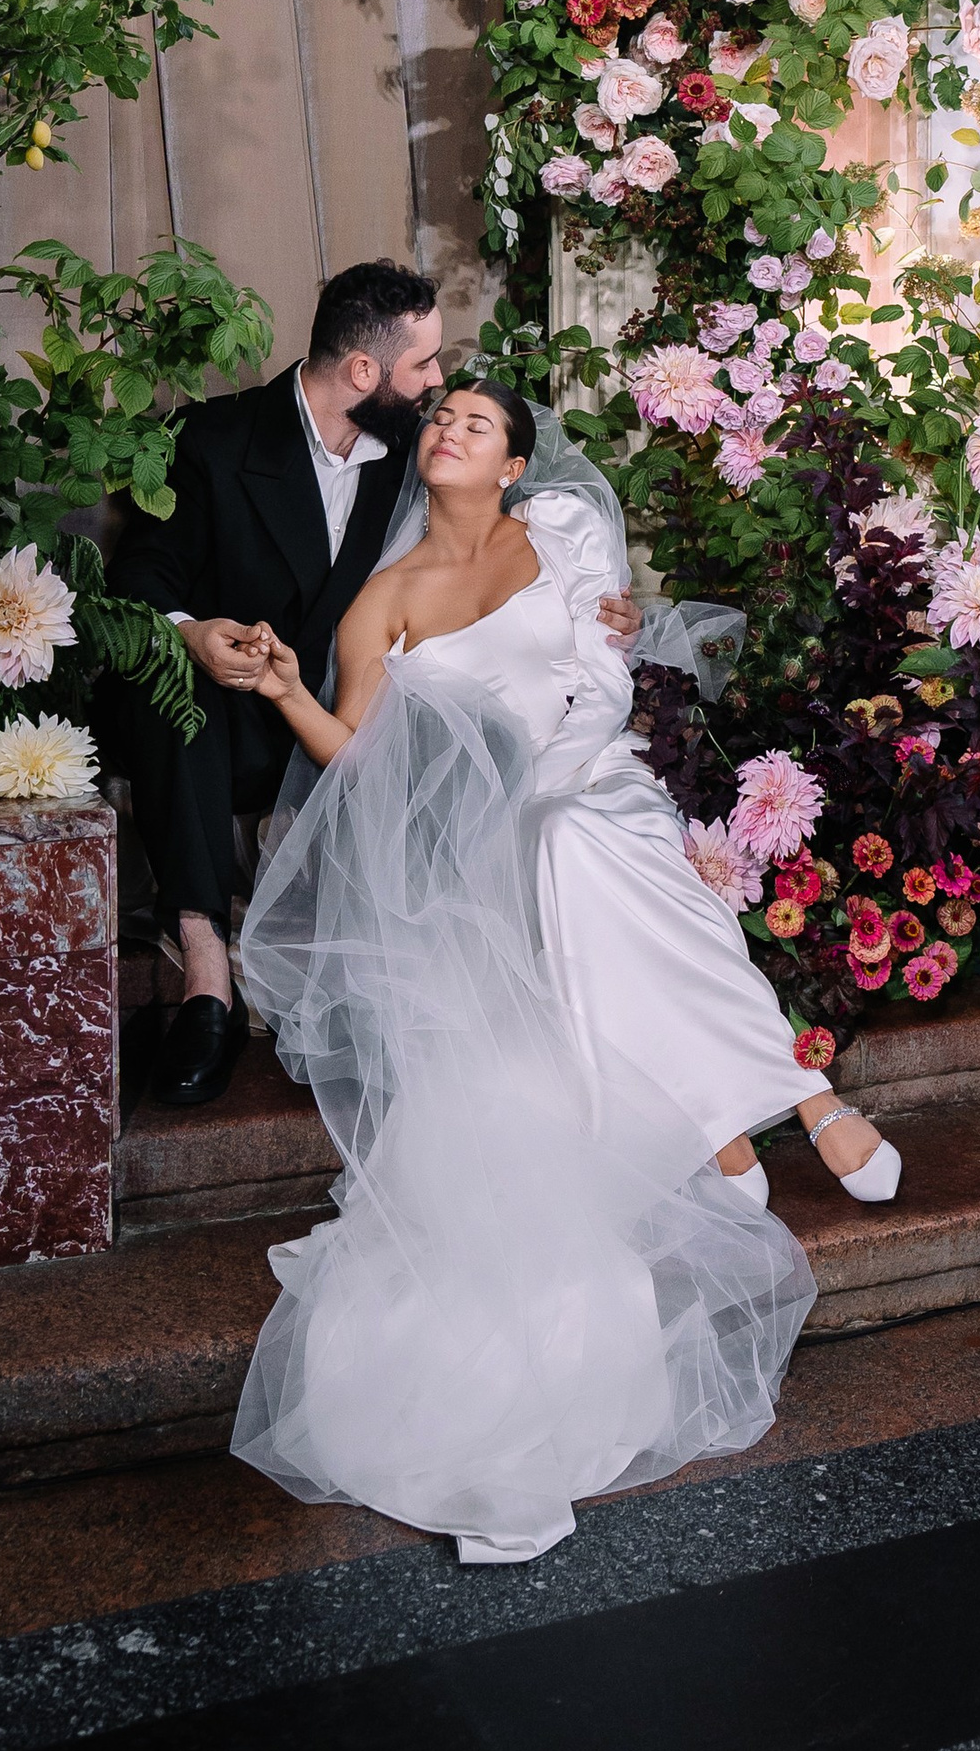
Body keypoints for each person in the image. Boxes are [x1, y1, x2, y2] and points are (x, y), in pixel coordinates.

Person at [217, 376, 901, 1564]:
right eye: (439, 420)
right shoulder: (378, 604)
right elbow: (359, 757)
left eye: (475, 423)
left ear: (516, 461)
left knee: (600, 850)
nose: (449, 431)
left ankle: (771, 1115)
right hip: (502, 833)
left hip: (597, 782)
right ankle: (773, 1111)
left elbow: (606, 660)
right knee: (568, 864)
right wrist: (285, 689)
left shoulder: (567, 534)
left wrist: (616, 632)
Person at [102, 261, 449, 1107]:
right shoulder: (216, 440)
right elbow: (139, 574)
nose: (438, 383)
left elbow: (510, 492)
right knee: (172, 697)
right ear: (363, 373)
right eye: (424, 366)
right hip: (221, 722)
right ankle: (209, 976)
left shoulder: (414, 451)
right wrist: (192, 633)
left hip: (343, 708)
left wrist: (591, 594)